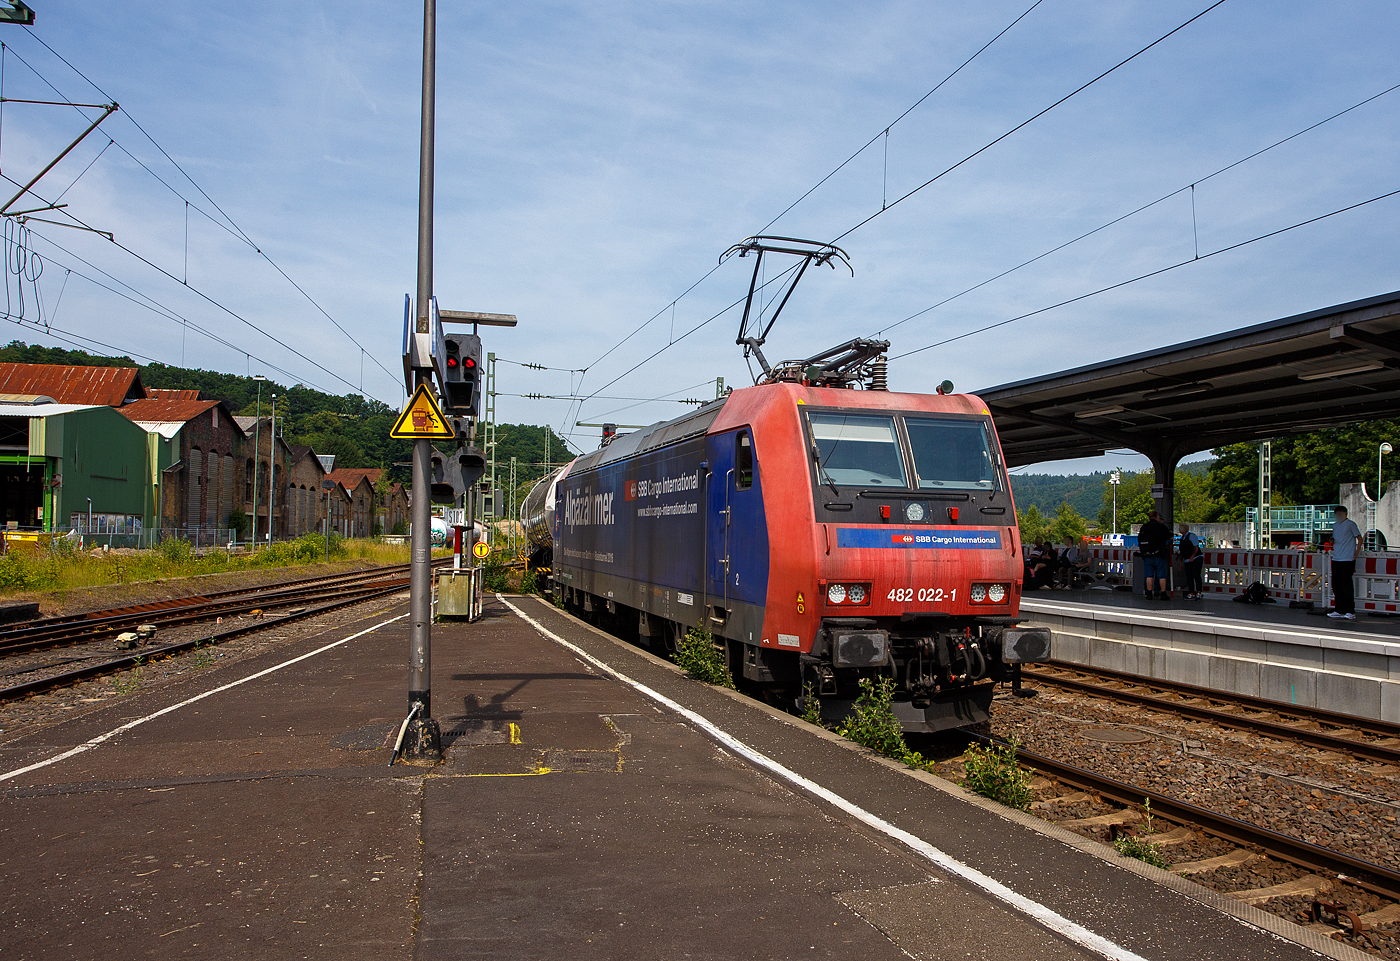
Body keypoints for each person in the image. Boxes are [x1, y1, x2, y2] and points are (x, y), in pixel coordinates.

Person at [1329, 506, 1363, 620]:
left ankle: (1350, 611)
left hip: (1347, 559)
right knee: (1336, 585)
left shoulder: (1351, 524)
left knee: (1346, 585)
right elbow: (1336, 539)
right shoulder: (1335, 525)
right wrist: (1332, 541)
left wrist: (1355, 554)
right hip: (1337, 558)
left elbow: (1359, 538)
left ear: (1345, 513)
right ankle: (1339, 609)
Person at [1137, 510, 1173, 600]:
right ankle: (1163, 593)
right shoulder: (1160, 527)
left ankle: (1149, 593)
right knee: (1161, 575)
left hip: (1147, 554)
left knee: (1149, 575)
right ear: (1157, 517)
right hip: (1159, 554)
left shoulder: (1144, 527)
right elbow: (1169, 536)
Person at [1177, 523, 1204, 600]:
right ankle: (1191, 591)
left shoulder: (1191, 536)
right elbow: (1181, 551)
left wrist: (1192, 557)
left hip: (1196, 558)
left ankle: (1199, 591)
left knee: (1196, 574)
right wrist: (1180, 562)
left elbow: (1196, 547)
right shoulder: (1182, 539)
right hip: (1187, 559)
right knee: (1189, 576)